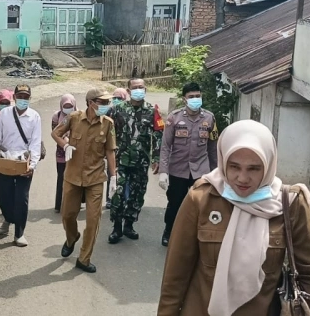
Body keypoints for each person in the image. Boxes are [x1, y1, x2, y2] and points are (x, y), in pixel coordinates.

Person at [157, 120, 310, 316]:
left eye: (253, 168)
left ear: (268, 164)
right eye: (234, 166)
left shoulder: (289, 204)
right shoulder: (201, 198)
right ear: (223, 161)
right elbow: (175, 277)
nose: (242, 178)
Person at [52, 88, 117, 273]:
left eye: (107, 103)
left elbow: (110, 151)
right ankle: (71, 237)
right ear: (90, 102)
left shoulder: (108, 124)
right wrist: (65, 145)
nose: (105, 106)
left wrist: (114, 177)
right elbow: (56, 133)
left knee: (93, 221)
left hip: (95, 178)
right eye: (101, 102)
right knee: (67, 215)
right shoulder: (73, 118)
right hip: (72, 176)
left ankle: (84, 258)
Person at [158, 82, 218, 247]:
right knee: (175, 203)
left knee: (200, 204)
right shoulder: (174, 118)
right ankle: (169, 230)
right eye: (191, 97)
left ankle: (195, 236)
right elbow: (165, 146)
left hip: (200, 171)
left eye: (197, 96)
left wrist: (216, 172)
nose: (195, 99)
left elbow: (213, 147)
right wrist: (163, 171)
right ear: (184, 99)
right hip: (178, 169)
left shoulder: (209, 118)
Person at [108, 78, 163, 244]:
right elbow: (108, 133)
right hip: (120, 162)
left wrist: (156, 158)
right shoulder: (117, 110)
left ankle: (129, 225)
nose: (139, 90)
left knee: (137, 195)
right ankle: (117, 227)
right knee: (118, 195)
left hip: (141, 162)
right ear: (129, 90)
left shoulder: (152, 111)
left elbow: (159, 134)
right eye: (135, 87)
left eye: (142, 87)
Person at [0, 84, 42, 247]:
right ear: (15, 97)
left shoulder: (35, 117)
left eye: (26, 97)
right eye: (20, 97)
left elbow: (36, 142)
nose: (23, 100)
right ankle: (8, 218)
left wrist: (32, 165)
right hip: (5, 160)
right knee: (4, 197)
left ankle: (19, 233)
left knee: (21, 199)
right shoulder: (4, 114)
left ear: (29, 99)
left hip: (24, 161)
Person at [51, 94, 77, 213]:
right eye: (65, 106)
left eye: (70, 106)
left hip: (76, 152)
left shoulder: (79, 116)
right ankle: (59, 205)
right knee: (61, 178)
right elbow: (55, 132)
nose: (68, 108)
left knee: (75, 179)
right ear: (61, 106)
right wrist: (65, 142)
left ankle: (73, 205)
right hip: (61, 153)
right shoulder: (56, 116)